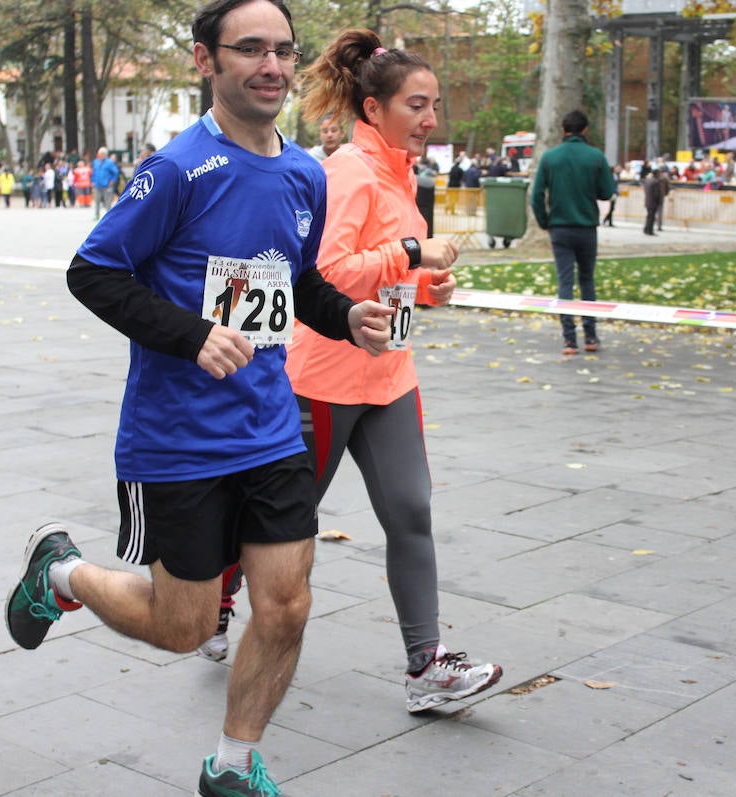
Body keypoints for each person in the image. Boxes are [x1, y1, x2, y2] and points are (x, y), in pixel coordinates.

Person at [3, 3, 394, 796]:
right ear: (204, 61)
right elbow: (94, 271)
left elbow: (298, 281)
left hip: (271, 427)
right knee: (183, 628)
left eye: (283, 51)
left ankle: (233, 764)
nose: (272, 66)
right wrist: (190, 334)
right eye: (250, 49)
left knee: (284, 606)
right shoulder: (178, 168)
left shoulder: (304, 173)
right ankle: (63, 572)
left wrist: (347, 315)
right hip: (176, 439)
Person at [205, 28, 502, 715]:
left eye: (434, 105)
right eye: (418, 105)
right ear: (375, 110)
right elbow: (329, 274)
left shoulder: (402, 173)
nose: (432, 119)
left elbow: (395, 273)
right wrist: (410, 249)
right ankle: (216, 598)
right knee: (281, 520)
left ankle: (427, 665)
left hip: (389, 376)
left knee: (412, 512)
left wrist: (430, 283)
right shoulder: (347, 171)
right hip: (323, 380)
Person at [530, 109, 615, 355]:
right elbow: (606, 192)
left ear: (564, 130)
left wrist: (545, 221)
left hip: (560, 227)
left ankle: (569, 338)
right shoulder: (595, 156)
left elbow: (536, 195)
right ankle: (590, 335)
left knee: (565, 281)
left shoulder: (550, 158)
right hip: (586, 227)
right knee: (587, 280)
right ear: (585, 129)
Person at [91, 146, 119, 220]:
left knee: (108, 202)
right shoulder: (96, 162)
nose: (101, 155)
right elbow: (94, 172)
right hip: (97, 185)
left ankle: (108, 217)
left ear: (106, 154)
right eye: (100, 154)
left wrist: (112, 180)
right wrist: (93, 181)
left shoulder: (109, 162)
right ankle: (96, 215)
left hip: (107, 185)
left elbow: (115, 172)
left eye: (103, 154)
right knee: (97, 201)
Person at [643, 168, 661, 236]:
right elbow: (656, 194)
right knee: (651, 217)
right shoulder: (656, 181)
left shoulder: (648, 180)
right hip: (653, 202)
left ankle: (646, 229)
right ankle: (650, 230)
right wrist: (658, 201)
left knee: (649, 216)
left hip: (648, 201)